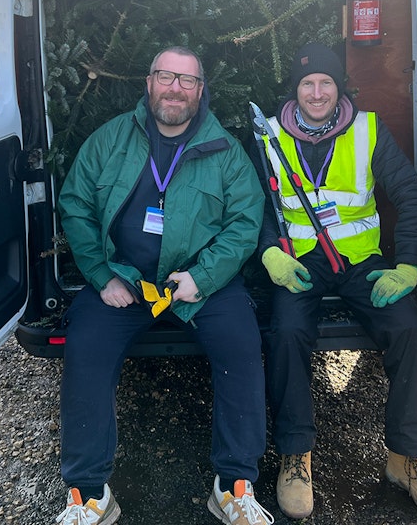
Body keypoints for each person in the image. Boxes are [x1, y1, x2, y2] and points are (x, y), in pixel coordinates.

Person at [56, 46, 274, 525]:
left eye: (187, 80)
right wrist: (101, 274)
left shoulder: (225, 150)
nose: (175, 88)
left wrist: (205, 275)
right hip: (125, 281)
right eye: (165, 76)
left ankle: (234, 484)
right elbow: (74, 203)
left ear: (200, 90)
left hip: (200, 284)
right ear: (149, 82)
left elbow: (244, 222)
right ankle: (89, 493)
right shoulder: (110, 140)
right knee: (86, 348)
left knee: (241, 346)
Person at [254, 43, 417, 522]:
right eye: (308, 83)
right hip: (299, 262)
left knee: (409, 330)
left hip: (360, 261)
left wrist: (408, 265)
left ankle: (407, 459)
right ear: (296, 90)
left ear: (339, 87)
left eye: (326, 82)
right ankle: (295, 456)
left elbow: (411, 196)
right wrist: (269, 252)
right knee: (285, 334)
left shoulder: (368, 129)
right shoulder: (267, 135)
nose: (317, 92)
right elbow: (256, 206)